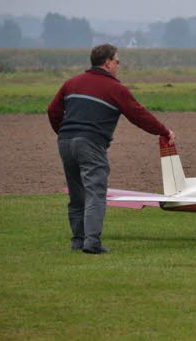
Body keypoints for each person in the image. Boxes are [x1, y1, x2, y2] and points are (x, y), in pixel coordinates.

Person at [47, 44, 175, 254]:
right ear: (107, 62)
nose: (118, 65)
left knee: (77, 195)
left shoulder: (71, 83)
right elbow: (138, 114)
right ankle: (92, 243)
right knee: (96, 193)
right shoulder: (115, 88)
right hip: (90, 144)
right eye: (117, 61)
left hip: (65, 142)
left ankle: (78, 241)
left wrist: (63, 133)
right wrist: (164, 131)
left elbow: (53, 110)